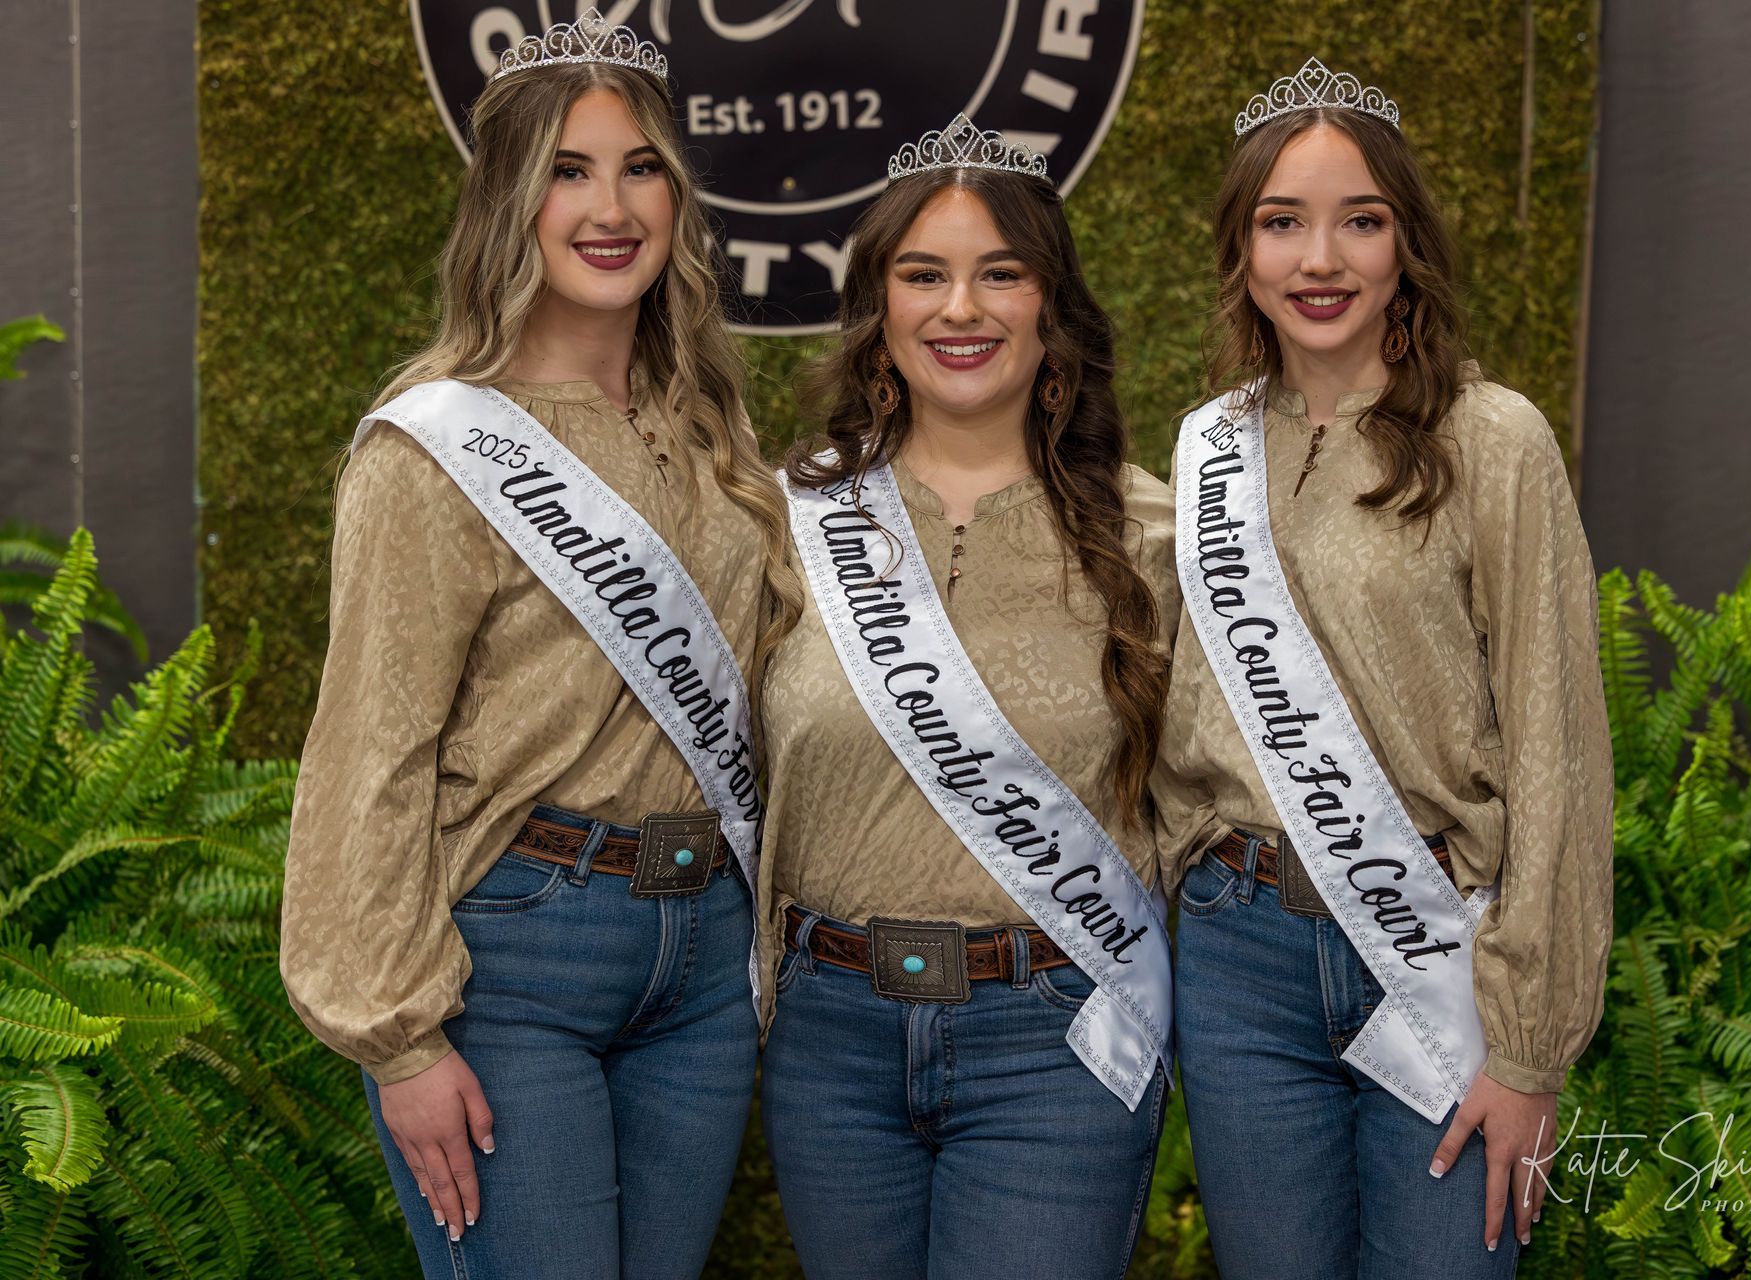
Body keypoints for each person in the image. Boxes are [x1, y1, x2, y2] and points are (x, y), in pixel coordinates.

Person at [278, 11, 799, 1277]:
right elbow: (374, 751)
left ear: (678, 193)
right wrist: (398, 1038)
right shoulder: (436, 446)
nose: (609, 206)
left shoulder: (717, 444)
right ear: (511, 200)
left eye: (639, 167)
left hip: (701, 970)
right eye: (567, 170)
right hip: (517, 954)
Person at [1155, 57, 1615, 1278]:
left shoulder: (1493, 438)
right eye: (1282, 223)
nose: (1321, 260)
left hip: (1435, 955)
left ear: (1406, 240)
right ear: (1241, 249)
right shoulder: (1211, 449)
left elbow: (1560, 745)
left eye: (1360, 220)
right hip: (1240, 955)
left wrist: (1530, 1046)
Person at [759, 115, 1177, 1279]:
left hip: (1055, 1032)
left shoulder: (1156, 534)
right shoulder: (785, 524)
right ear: (878, 312)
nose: (962, 308)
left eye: (1003, 272)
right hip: (829, 1036)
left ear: (1053, 311)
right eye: (924, 274)